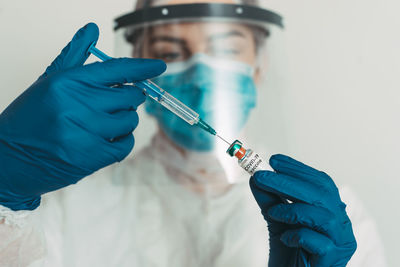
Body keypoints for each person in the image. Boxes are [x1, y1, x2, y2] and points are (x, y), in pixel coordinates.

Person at [0, 1, 386, 266]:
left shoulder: (320, 219)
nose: (203, 72)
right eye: (170, 51)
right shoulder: (66, 205)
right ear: (137, 69)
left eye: (226, 49)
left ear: (261, 63)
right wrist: (3, 191)